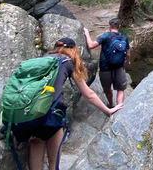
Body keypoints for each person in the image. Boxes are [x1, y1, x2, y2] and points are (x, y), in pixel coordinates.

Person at [15, 37, 122, 170]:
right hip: (50, 114)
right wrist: (107, 110)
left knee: (36, 142)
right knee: (53, 164)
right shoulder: (66, 62)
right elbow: (88, 94)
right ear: (73, 50)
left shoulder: (39, 61)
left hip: (28, 113)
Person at [83, 19, 130, 108]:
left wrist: (87, 34)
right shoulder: (123, 38)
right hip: (119, 67)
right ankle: (120, 107)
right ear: (119, 27)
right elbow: (128, 53)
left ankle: (111, 105)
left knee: (107, 89)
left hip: (105, 68)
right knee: (120, 89)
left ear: (109, 26)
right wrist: (128, 61)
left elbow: (91, 45)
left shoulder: (105, 36)